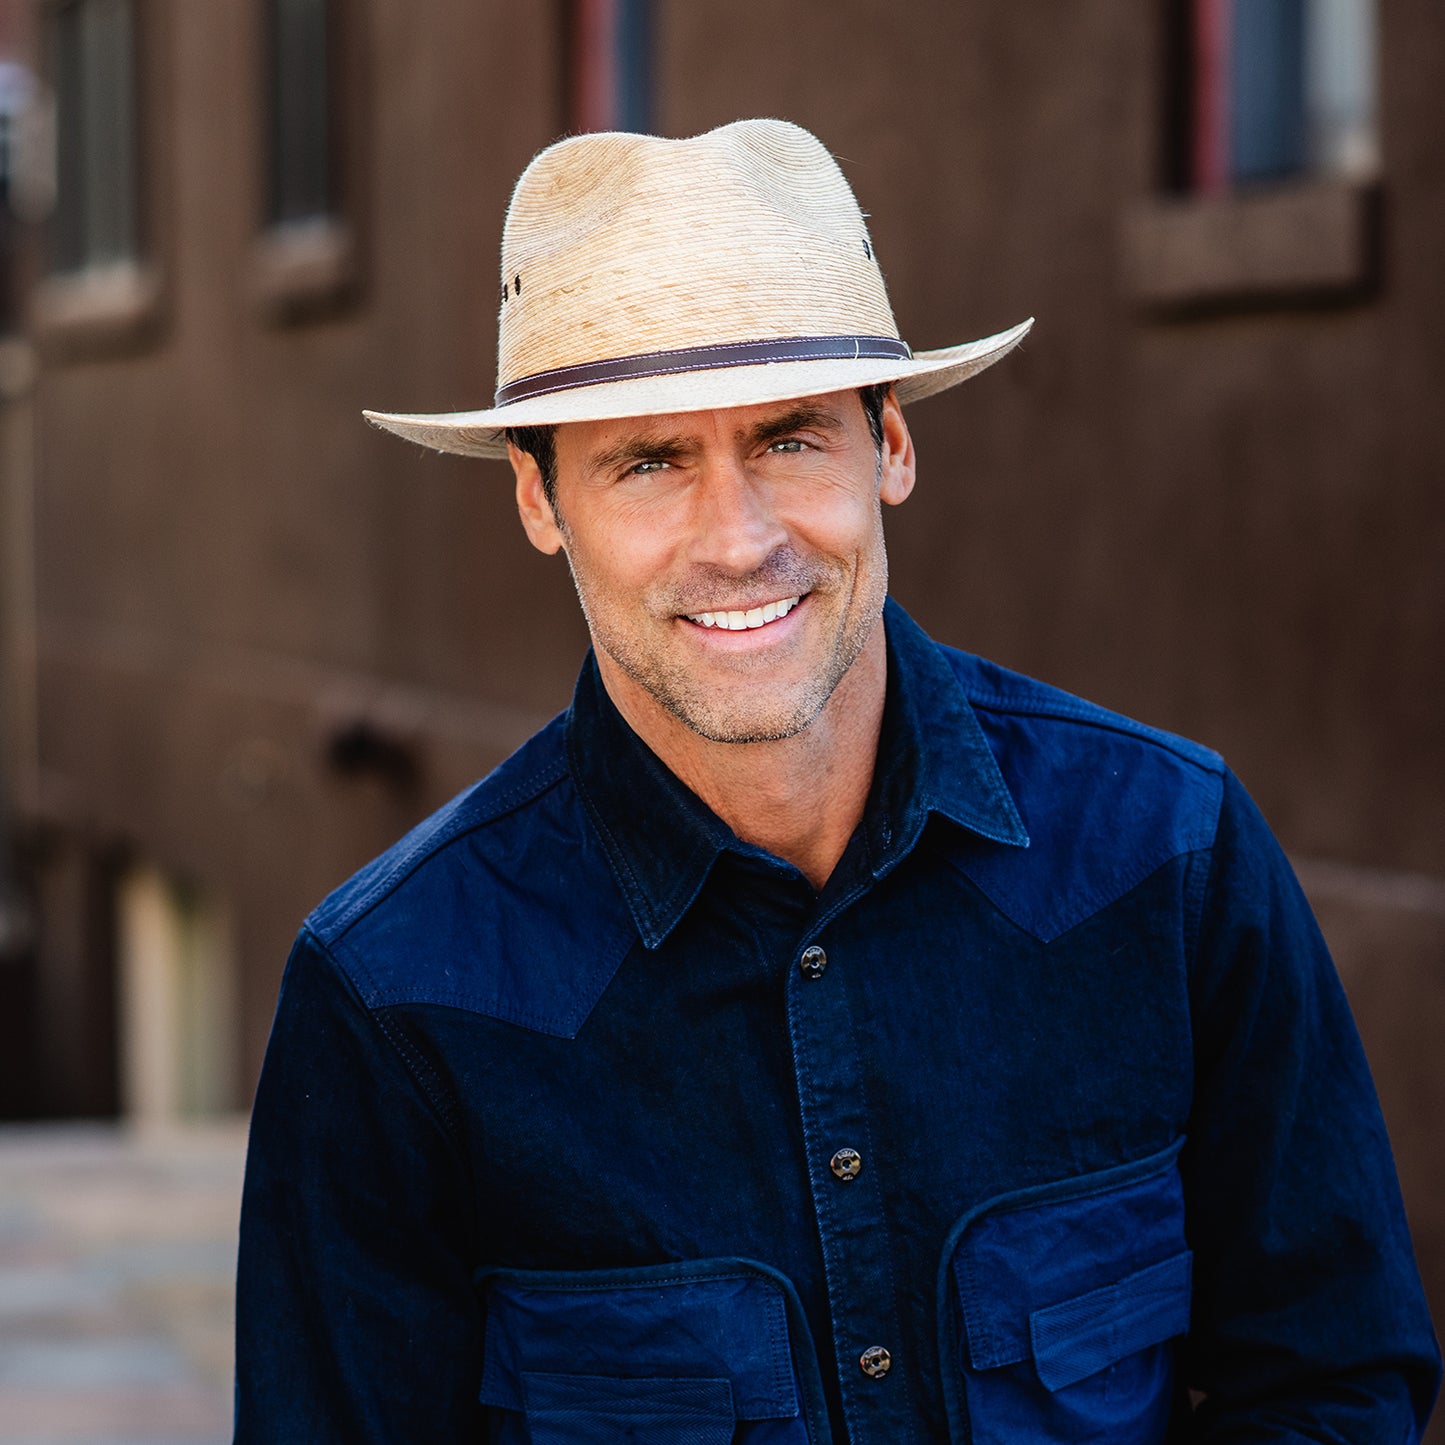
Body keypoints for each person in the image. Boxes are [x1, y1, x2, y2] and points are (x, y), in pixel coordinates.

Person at [233, 119, 1439, 1443]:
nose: (739, 538)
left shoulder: (1168, 853)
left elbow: (1334, 1381)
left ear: (892, 448)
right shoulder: (399, 994)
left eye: (790, 437)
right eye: (648, 461)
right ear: (537, 499)